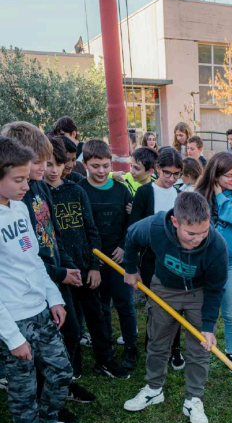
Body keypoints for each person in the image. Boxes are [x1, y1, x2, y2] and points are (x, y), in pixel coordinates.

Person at [0, 135, 81, 423]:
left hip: (40, 311)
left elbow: (34, 259)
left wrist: (54, 298)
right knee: (23, 392)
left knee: (62, 370)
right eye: (18, 179)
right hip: (13, 322)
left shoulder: (19, 208)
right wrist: (12, 338)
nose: (26, 185)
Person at [122, 191, 228, 423]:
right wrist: (130, 268)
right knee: (158, 340)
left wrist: (209, 327)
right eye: (191, 233)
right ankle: (153, 388)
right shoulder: (156, 226)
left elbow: (215, 289)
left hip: (198, 293)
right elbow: (131, 237)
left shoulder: (217, 246)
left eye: (203, 232)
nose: (198, 239)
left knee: (200, 347)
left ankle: (193, 398)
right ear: (175, 222)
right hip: (164, 288)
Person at [45, 137, 128, 380]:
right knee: (68, 323)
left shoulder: (76, 191)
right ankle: (73, 365)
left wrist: (94, 267)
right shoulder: (38, 194)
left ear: (66, 165)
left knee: (98, 316)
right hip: (59, 272)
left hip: (84, 266)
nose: (53, 170)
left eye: (58, 164)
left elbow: (91, 230)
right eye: (47, 164)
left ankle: (105, 360)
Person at [78, 139, 138, 371]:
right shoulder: (80, 190)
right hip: (94, 260)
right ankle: (105, 345)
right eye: (95, 166)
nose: (101, 171)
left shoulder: (121, 190)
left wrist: (124, 246)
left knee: (124, 304)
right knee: (101, 306)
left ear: (111, 164)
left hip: (118, 258)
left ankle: (130, 346)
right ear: (85, 164)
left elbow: (131, 223)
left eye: (105, 165)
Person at [195, 151, 232, 370]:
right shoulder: (199, 194)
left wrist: (220, 197)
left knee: (230, 311)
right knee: (207, 309)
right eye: (228, 175)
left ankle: (231, 352)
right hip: (206, 262)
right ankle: (206, 346)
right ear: (214, 174)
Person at [130, 147, 185, 369]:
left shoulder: (180, 195)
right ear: (157, 170)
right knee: (155, 306)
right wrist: (131, 264)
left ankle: (175, 348)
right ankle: (152, 345)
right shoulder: (144, 193)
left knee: (177, 304)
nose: (171, 178)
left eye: (176, 174)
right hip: (151, 258)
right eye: (167, 173)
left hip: (176, 258)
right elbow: (133, 229)